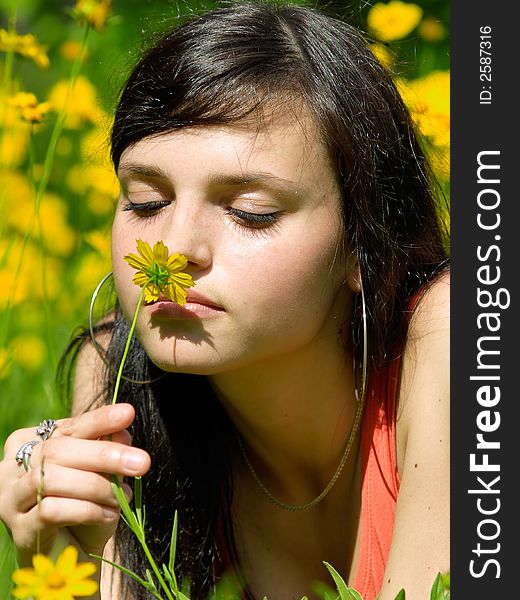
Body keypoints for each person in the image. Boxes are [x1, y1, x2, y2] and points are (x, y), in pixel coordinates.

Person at [0, 2, 450, 599]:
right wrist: (56, 559)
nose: (175, 249)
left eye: (250, 213)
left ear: (363, 246)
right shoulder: (117, 382)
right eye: (145, 201)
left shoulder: (452, 342)